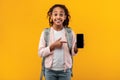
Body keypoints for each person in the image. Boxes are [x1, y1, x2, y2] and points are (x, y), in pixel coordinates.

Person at [38, 4, 78, 80]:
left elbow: (73, 53)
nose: (58, 17)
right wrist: (52, 46)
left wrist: (76, 47)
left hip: (65, 72)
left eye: (61, 14)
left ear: (65, 17)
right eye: (55, 14)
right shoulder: (46, 33)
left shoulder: (70, 32)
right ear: (51, 16)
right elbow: (40, 53)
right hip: (49, 71)